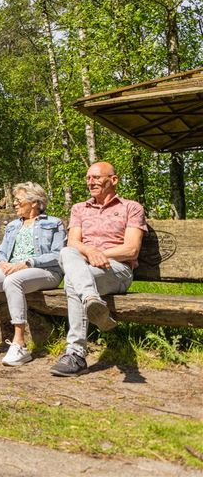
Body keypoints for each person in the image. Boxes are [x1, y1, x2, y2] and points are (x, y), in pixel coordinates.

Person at [50, 161, 147, 377]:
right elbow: (72, 244)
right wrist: (90, 253)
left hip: (117, 270)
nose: (90, 182)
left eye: (96, 177)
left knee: (73, 281)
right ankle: (91, 299)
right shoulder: (79, 208)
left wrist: (98, 254)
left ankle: (75, 354)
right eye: (88, 178)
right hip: (85, 269)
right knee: (67, 254)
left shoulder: (131, 207)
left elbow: (131, 250)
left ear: (114, 180)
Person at [0, 182, 65, 366]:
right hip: (13, 271)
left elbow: (58, 255)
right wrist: (2, 262)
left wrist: (27, 263)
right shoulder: (12, 225)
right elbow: (1, 252)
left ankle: (19, 344)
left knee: (13, 281)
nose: (15, 204)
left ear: (34, 202)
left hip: (45, 272)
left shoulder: (54, 223)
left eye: (19, 200)